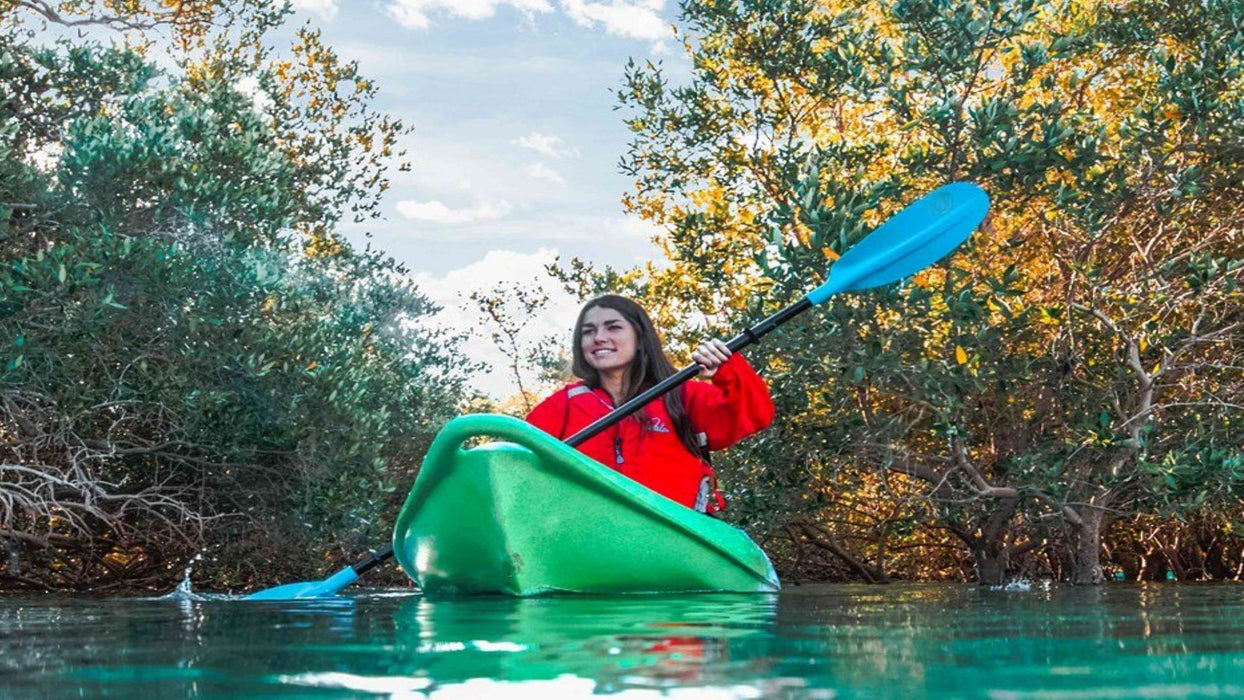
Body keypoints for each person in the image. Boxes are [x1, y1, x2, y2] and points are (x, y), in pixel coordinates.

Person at [526, 294, 774, 515]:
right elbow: (519, 459)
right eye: (588, 331)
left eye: (613, 327)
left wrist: (728, 369)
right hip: (590, 540)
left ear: (640, 337)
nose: (599, 338)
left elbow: (755, 414)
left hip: (672, 538)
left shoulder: (681, 394)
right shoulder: (565, 404)